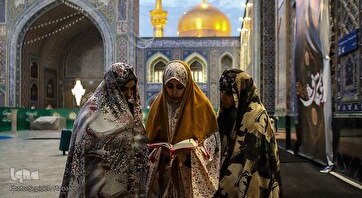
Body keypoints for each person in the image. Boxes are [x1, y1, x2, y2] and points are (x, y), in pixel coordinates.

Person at [59, 62, 149, 198]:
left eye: (132, 89)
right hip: (98, 184)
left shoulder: (132, 109)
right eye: (125, 89)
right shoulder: (90, 112)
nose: (130, 94)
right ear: (113, 86)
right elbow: (85, 149)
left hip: (126, 185)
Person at [146, 60, 220, 198]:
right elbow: (148, 145)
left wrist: (190, 155)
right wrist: (161, 153)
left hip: (190, 178)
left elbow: (213, 149)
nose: (174, 92)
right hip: (165, 177)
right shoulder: (158, 107)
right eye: (169, 86)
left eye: (180, 87)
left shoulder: (202, 106)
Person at [216, 69, 282, 198]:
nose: (223, 96)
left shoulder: (256, 117)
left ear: (242, 92)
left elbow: (251, 162)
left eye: (229, 92)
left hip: (254, 181)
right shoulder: (228, 113)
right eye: (221, 90)